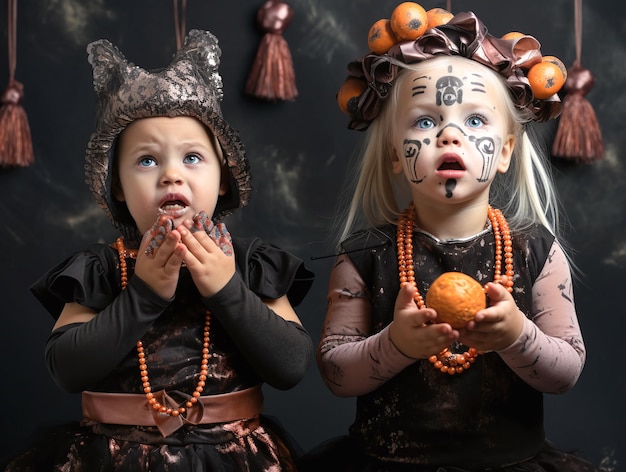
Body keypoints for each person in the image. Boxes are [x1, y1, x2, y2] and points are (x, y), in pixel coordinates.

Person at [300, 5, 600, 472]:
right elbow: (336, 373)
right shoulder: (363, 254)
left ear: (504, 152)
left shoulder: (537, 252)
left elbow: (566, 373)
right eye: (424, 121)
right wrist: (396, 343)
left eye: (476, 121)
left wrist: (514, 335)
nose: (450, 136)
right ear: (396, 154)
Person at [4, 29, 314, 471]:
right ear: (117, 186)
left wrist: (226, 289)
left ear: (223, 176)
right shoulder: (101, 268)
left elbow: (291, 366)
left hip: (232, 457)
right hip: (115, 456)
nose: (171, 175)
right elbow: (66, 370)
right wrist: (144, 293)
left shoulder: (248, 263)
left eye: (192, 158)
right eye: (147, 160)